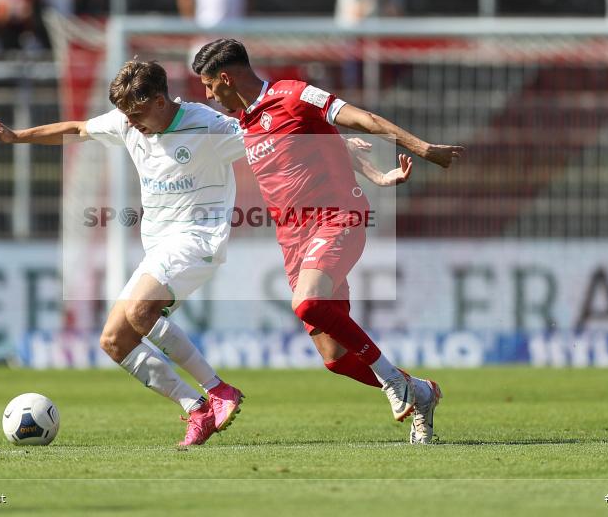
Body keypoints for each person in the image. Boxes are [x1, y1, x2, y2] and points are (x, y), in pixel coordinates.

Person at [192, 38, 464, 443]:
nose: (210, 95)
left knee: (307, 302)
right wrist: (376, 174)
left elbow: (363, 120)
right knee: (335, 359)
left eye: (210, 86)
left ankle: (394, 381)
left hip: (337, 220)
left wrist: (422, 149)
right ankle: (421, 393)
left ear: (226, 77)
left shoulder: (295, 94)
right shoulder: (244, 122)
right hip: (293, 241)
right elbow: (334, 143)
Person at [0, 60, 246, 447]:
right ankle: (196, 406)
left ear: (159, 100)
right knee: (115, 340)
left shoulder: (209, 125)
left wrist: (339, 151)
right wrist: (17, 137)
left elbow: (273, 141)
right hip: (160, 245)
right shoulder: (126, 121)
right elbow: (76, 129)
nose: (130, 122)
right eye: (126, 115)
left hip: (199, 239)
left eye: (136, 113)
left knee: (139, 312)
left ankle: (218, 390)